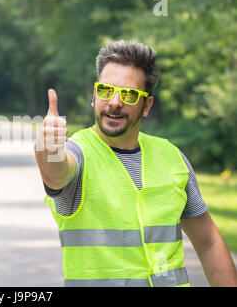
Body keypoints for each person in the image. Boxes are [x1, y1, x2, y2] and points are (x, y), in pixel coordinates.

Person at [35, 40, 237, 287]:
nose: (115, 102)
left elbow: (208, 242)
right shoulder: (79, 153)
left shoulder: (172, 157)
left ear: (146, 105)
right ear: (94, 95)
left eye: (129, 94)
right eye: (105, 90)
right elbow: (56, 173)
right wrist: (48, 149)